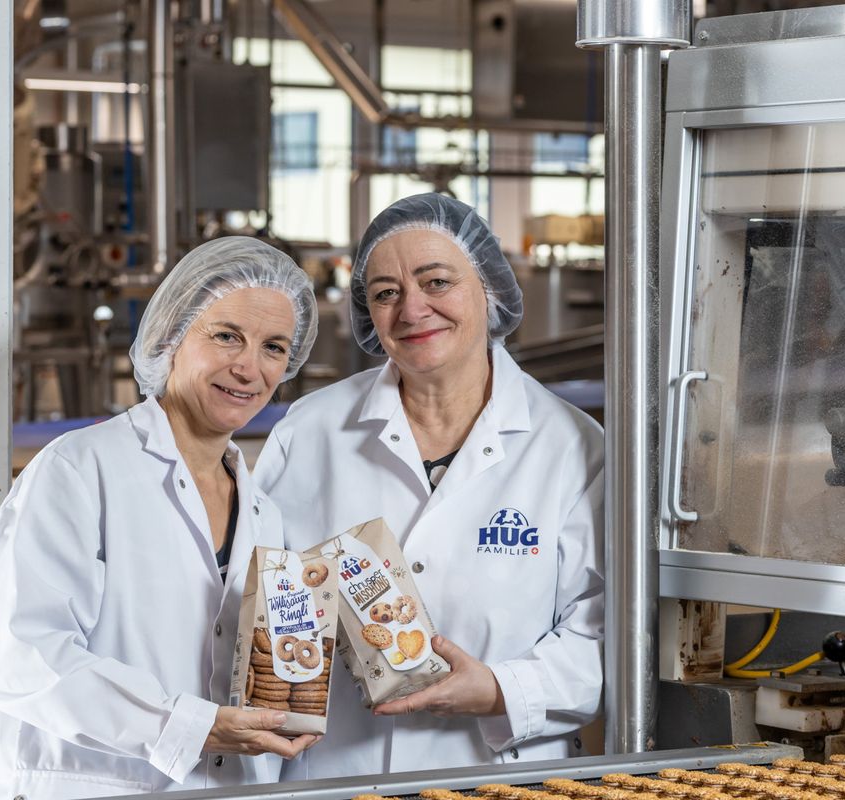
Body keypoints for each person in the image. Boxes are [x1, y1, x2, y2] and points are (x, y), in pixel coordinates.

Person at [254, 194, 604, 779]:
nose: (413, 309)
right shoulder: (311, 430)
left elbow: (604, 633)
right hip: (337, 775)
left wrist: (499, 689)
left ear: (489, 288)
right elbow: (256, 594)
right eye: (386, 293)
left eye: (437, 282)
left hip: (498, 776)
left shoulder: (571, 446)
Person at [0, 237, 321, 799]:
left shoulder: (263, 512)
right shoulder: (80, 469)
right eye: (226, 335)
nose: (248, 367)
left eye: (274, 347)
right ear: (171, 335)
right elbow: (22, 655)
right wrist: (184, 726)